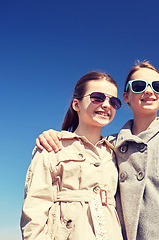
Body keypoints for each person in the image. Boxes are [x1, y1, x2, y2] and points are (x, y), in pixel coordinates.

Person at [36, 61, 159, 240]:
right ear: (126, 97)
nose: (149, 90)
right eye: (139, 85)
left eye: (157, 86)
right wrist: (55, 136)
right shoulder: (108, 145)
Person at [21, 71, 124, 240]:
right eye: (97, 97)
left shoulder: (116, 152)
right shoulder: (52, 146)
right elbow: (35, 208)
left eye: (113, 101)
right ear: (76, 104)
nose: (106, 105)